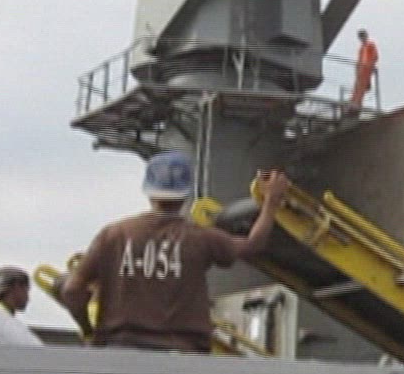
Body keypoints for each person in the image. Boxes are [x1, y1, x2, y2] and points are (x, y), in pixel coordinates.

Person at [56, 151, 289, 353]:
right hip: (184, 353)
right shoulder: (201, 238)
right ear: (186, 193)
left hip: (120, 349)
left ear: (148, 190)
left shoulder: (113, 235)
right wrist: (271, 202)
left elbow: (72, 290)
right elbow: (253, 244)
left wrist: (89, 331)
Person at [347, 29, 379, 114]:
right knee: (357, 87)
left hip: (366, 68)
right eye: (361, 37)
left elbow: (375, 56)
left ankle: (356, 105)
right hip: (361, 69)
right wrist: (357, 69)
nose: (362, 38)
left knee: (361, 87)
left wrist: (370, 65)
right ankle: (353, 104)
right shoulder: (361, 48)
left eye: (363, 36)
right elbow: (359, 60)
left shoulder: (370, 44)